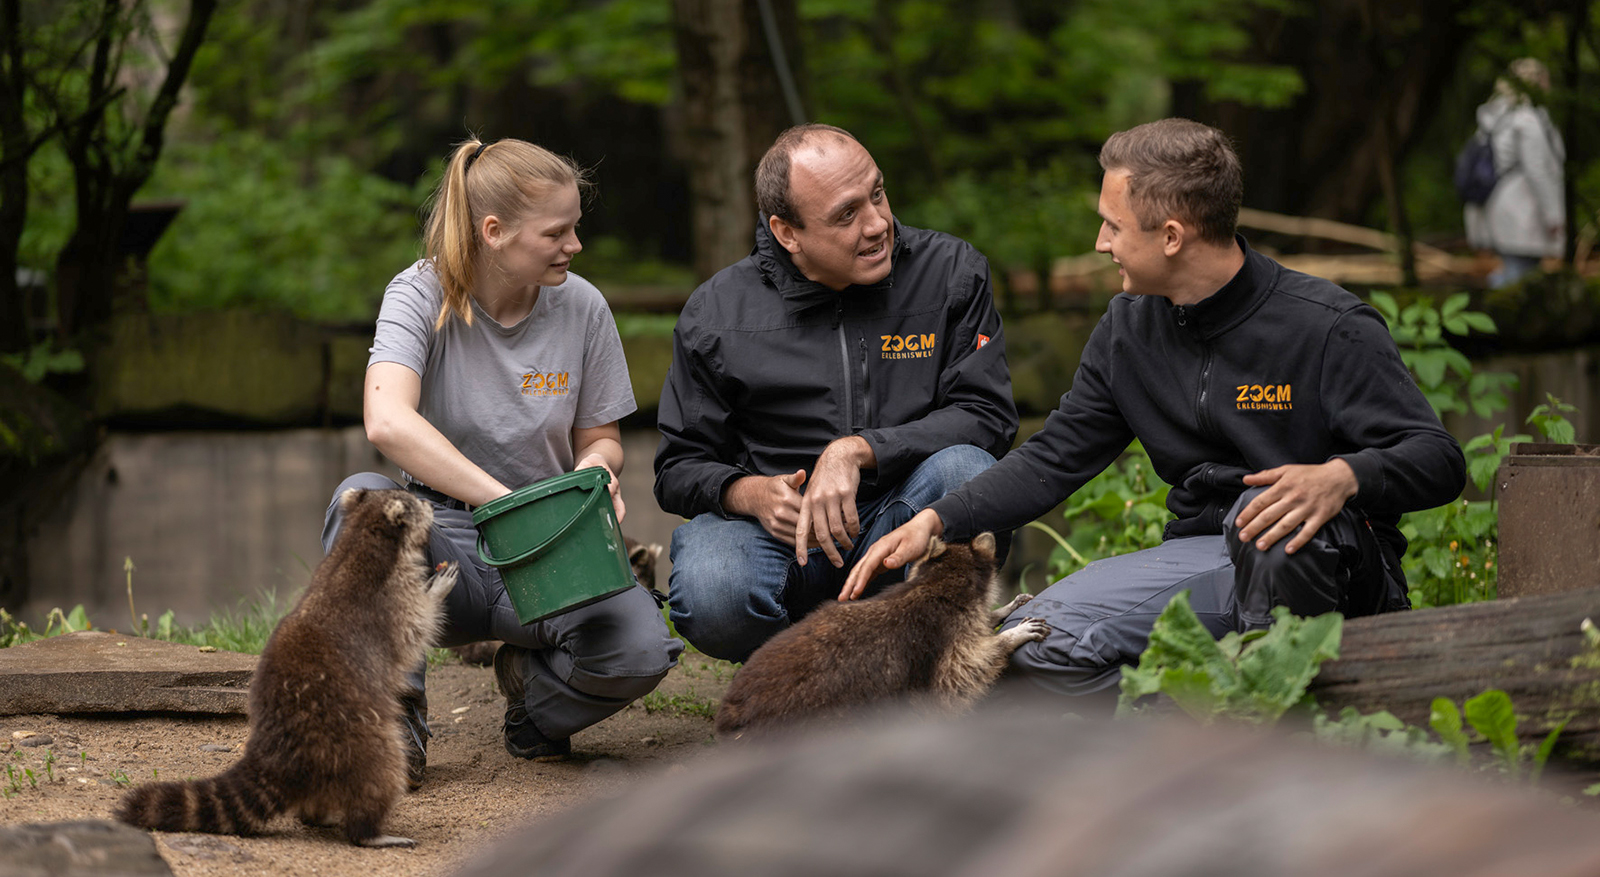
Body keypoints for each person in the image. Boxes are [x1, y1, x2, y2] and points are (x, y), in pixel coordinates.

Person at [847, 118, 1466, 699]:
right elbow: (1056, 456)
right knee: (1007, 653)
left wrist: (1344, 476)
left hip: (1325, 568)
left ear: (1171, 236)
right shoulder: (1129, 330)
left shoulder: (1328, 326)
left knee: (1265, 513)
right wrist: (939, 519)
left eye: (1113, 226)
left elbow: (1438, 459)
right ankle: (1195, 720)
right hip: (1203, 554)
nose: (1099, 242)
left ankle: (1278, 700)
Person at [323, 138, 681, 784]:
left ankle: (534, 703)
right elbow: (386, 418)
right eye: (558, 231)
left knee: (642, 647)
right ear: (494, 232)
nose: (575, 245)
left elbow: (601, 438)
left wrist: (597, 469)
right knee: (364, 499)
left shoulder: (584, 307)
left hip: (549, 547)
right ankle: (395, 723)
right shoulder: (418, 292)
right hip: (445, 541)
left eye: (576, 227)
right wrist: (501, 500)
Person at [654, 123, 1018, 664]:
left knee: (970, 472)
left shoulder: (952, 274)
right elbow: (677, 467)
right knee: (715, 587)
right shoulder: (718, 313)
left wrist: (857, 450)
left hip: (904, 521)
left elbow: (988, 416)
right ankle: (806, 671)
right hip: (783, 545)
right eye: (846, 215)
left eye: (877, 194)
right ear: (787, 232)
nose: (878, 224)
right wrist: (748, 493)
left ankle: (910, 656)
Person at [1464, 58, 1566, 288]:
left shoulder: (1494, 117)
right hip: (1522, 213)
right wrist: (1554, 216)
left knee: (1514, 274)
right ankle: (1495, 320)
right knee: (1518, 280)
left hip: (1497, 207)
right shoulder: (1527, 120)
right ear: (1536, 83)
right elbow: (1538, 171)